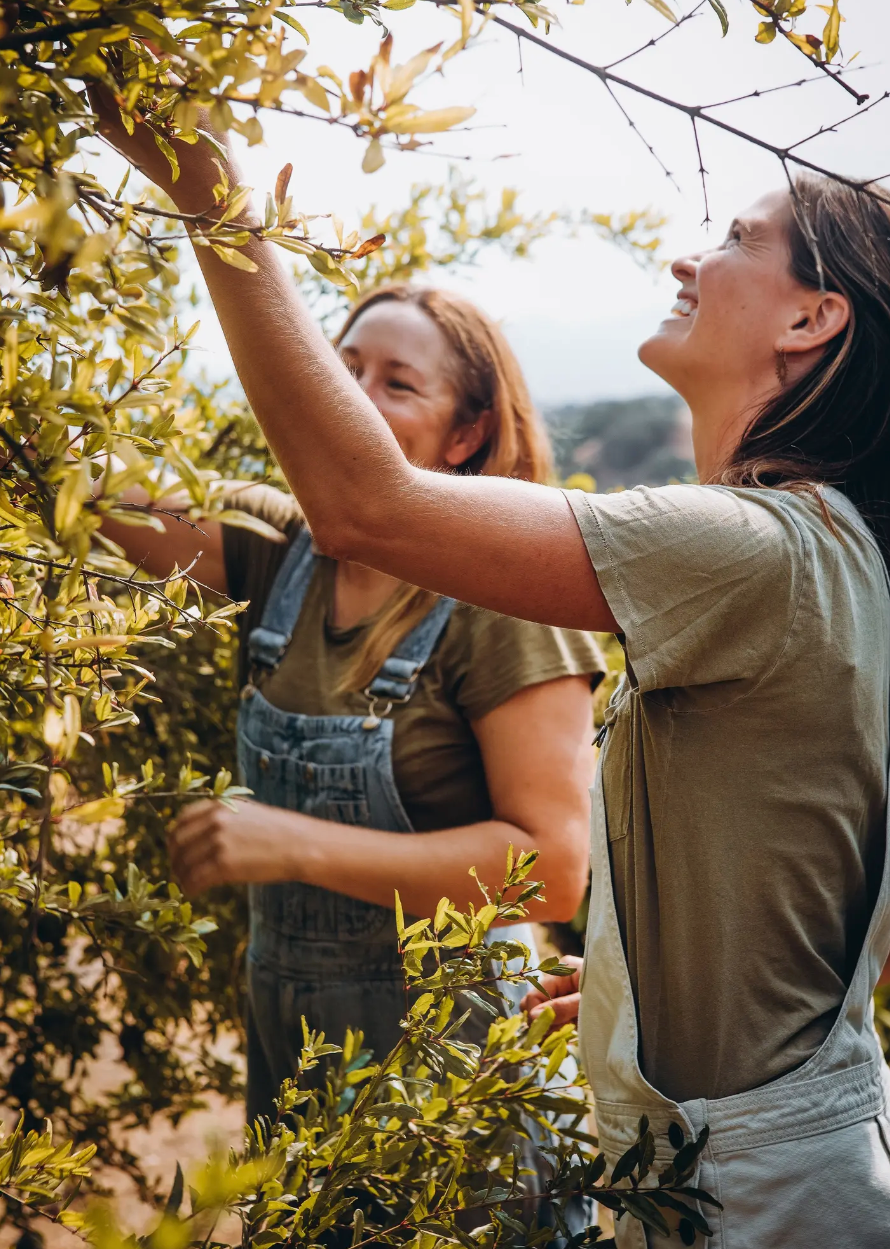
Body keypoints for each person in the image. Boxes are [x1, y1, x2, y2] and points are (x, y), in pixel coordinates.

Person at [96, 95, 890, 1243]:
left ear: (812, 317)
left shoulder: (753, 547)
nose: (687, 254)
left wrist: (209, 194)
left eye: (734, 240)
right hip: (739, 1156)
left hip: (752, 1193)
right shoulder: (817, 547)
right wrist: (636, 992)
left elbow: (364, 504)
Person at [100, 276, 604, 1120]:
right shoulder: (279, 549)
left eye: (397, 384)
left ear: (467, 433)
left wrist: (295, 844)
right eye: (343, 371)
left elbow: (551, 873)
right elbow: (93, 486)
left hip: (451, 1085)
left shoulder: (507, 605)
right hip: (296, 1068)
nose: (355, 401)